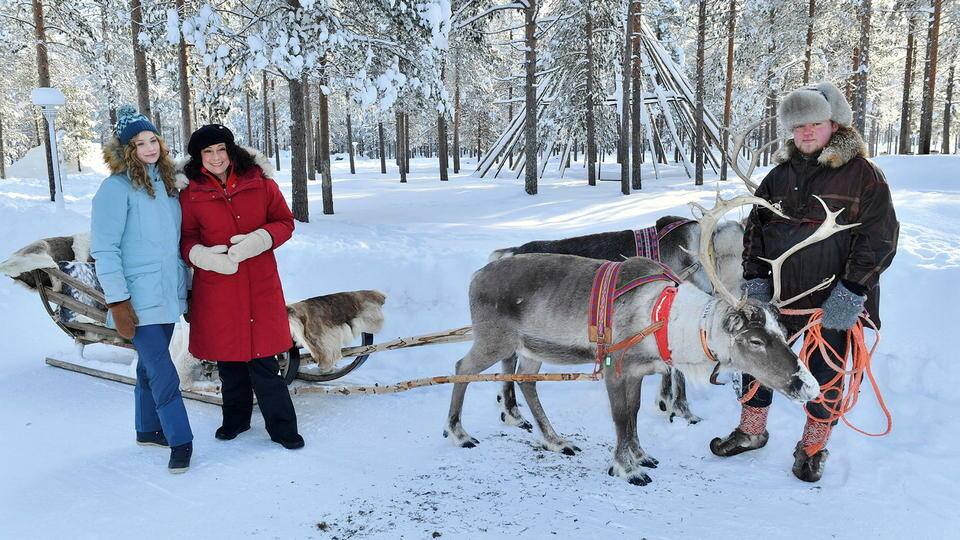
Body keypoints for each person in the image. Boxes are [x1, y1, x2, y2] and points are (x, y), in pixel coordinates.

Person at [710, 82, 899, 482]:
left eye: (815, 123)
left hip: (831, 300)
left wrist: (852, 292)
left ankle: (812, 446)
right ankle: (752, 431)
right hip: (779, 297)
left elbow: (880, 239)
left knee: (825, 372)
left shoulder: (864, 176)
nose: (806, 132)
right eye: (799, 126)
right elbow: (755, 232)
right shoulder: (778, 177)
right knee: (758, 361)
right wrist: (755, 281)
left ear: (834, 124)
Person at [179, 124, 304, 449]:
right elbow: (186, 238)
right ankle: (236, 420)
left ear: (230, 150)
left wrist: (261, 239)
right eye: (208, 152)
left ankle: (283, 428)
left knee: (264, 362)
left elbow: (285, 222)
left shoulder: (260, 182)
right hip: (218, 288)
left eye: (221, 149)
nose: (216, 157)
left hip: (259, 284)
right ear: (198, 157)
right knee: (229, 361)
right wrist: (201, 256)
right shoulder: (190, 194)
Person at [91, 105, 194, 473]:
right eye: (139, 143)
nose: (149, 148)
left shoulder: (167, 185)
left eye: (153, 140)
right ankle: (181, 439)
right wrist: (118, 301)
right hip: (137, 299)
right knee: (163, 370)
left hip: (166, 293)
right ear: (127, 150)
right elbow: (105, 249)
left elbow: (173, 245)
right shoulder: (115, 189)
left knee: (150, 367)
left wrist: (187, 289)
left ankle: (147, 428)